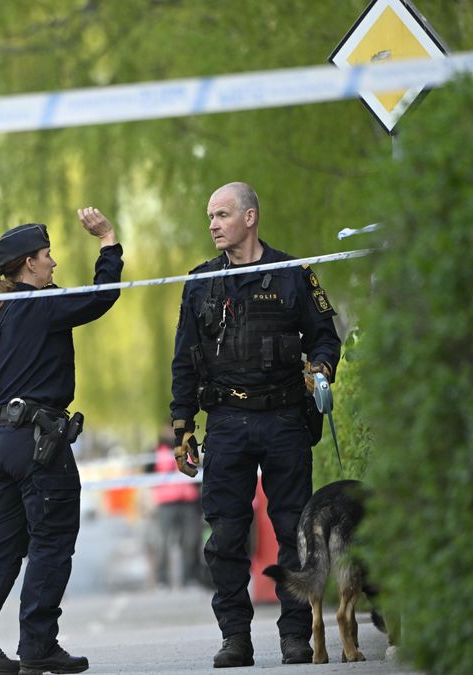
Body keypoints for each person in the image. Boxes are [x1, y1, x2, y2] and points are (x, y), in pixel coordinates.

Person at [169, 182, 342, 668]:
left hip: (285, 418)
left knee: (293, 530)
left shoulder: (292, 274)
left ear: (250, 218)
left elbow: (325, 338)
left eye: (222, 215)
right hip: (226, 422)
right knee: (226, 536)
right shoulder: (200, 283)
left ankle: (296, 636)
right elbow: (183, 361)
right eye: (210, 216)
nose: (213, 225)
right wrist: (182, 428)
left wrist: (321, 370)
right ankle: (235, 638)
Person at [0, 208, 123, 675]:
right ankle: (38, 645)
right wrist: (107, 242)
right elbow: (103, 295)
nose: (53, 263)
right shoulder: (43, 304)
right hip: (40, 443)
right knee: (52, 539)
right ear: (29, 264)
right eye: (48, 256)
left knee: (2, 544)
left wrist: (0, 393)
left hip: (0, 442)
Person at [148, 427, 202, 589]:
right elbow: (147, 475)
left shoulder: (189, 447)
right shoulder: (155, 451)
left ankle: (190, 578)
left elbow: (199, 470)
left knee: (190, 541)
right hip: (166, 503)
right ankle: (162, 580)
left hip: (189, 501)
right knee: (163, 543)